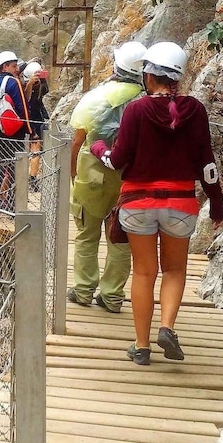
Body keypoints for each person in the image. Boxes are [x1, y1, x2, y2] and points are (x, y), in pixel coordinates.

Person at [90, 41, 223, 366]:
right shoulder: (195, 110)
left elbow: (119, 159)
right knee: (175, 270)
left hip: (138, 203)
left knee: (144, 274)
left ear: (149, 75)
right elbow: (206, 164)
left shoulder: (137, 110)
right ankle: (166, 327)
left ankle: (141, 346)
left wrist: (98, 150)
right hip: (180, 204)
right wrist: (218, 206)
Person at [66, 41, 147, 314]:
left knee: (87, 235)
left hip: (93, 174)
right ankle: (112, 295)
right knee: (119, 238)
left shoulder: (97, 97)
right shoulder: (146, 102)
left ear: (117, 65)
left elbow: (79, 139)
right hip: (129, 179)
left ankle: (84, 290)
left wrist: (74, 172)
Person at [0, 50, 31, 217]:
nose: (16, 69)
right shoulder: (13, 82)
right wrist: (30, 130)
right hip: (14, 134)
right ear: (5, 66)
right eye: (13, 66)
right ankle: (13, 207)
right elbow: (23, 108)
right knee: (15, 169)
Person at [21, 60, 51, 192]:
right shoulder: (30, 86)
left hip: (35, 119)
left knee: (35, 149)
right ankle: (31, 177)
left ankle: (31, 176)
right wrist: (30, 84)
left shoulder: (41, 86)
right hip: (32, 120)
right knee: (34, 149)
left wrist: (34, 83)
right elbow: (26, 100)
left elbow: (41, 96)